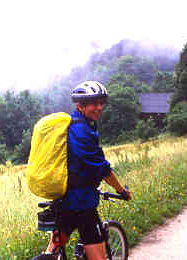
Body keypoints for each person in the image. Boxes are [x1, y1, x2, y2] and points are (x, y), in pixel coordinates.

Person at [45, 81, 131, 260]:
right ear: (80, 106)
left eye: (101, 102)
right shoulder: (82, 130)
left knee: (54, 251)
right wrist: (121, 191)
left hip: (62, 198)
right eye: (94, 103)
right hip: (82, 203)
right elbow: (102, 169)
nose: (99, 107)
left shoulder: (72, 126)